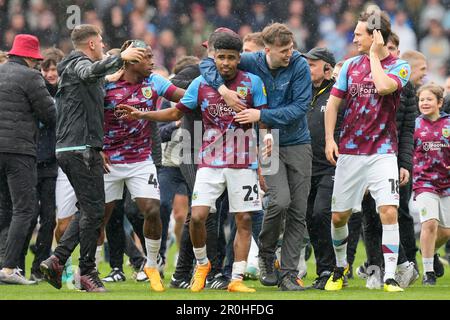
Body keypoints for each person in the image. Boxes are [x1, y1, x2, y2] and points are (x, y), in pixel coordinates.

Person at [119, 31, 269, 293]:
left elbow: (264, 117)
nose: (226, 63)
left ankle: (236, 278)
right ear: (215, 57)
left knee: (243, 219)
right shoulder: (201, 83)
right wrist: (143, 114)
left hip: (243, 163)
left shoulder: (253, 82)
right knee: (198, 217)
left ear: (238, 58)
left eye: (231, 58)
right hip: (209, 163)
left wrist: (265, 139)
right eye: (221, 57)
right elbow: (176, 112)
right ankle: (202, 265)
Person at [200, 22, 312, 291]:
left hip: (298, 142)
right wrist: (224, 90)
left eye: (291, 48)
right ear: (266, 49)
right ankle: (266, 253)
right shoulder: (251, 60)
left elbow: (299, 107)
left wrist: (261, 115)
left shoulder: (299, 65)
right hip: (266, 142)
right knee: (280, 201)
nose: (290, 53)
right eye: (283, 50)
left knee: (298, 210)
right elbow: (205, 64)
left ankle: (287, 274)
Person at [39, 24, 146, 292]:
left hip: (74, 148)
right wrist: (120, 58)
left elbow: (93, 80)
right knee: (95, 210)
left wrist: (112, 74)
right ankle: (86, 271)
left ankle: (58, 259)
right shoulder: (78, 63)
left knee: (89, 209)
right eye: (100, 41)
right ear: (91, 44)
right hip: (81, 148)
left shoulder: (74, 71)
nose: (101, 44)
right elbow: (89, 72)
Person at [324, 11, 411, 292]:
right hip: (349, 151)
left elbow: (384, 87)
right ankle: (339, 268)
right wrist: (329, 139)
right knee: (339, 216)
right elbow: (334, 104)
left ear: (376, 36)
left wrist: (375, 56)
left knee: (388, 210)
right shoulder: (349, 66)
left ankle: (389, 276)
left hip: (383, 151)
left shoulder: (400, 66)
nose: (353, 38)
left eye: (359, 33)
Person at [102, 39, 185, 292]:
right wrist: (96, 149)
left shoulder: (154, 82)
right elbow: (88, 116)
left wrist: (212, 91)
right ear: (131, 61)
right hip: (109, 160)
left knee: (151, 209)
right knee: (99, 217)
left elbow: (184, 97)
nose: (153, 62)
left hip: (141, 159)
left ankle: (151, 263)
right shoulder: (106, 83)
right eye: (147, 57)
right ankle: (90, 269)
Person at [356, 46, 422, 289]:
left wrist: (404, 163)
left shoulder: (405, 87)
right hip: (364, 156)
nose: (389, 54)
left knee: (394, 214)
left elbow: (407, 130)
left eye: (393, 49)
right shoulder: (361, 78)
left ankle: (401, 265)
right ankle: (376, 268)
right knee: (369, 217)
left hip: (392, 159)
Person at [0, 34, 56, 285]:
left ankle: (2, 263)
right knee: (25, 209)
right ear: (28, 57)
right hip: (19, 150)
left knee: (4, 209)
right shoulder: (31, 76)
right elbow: (49, 113)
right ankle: (9, 268)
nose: (36, 64)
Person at [301, 47, 343, 289]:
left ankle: (335, 267)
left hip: (333, 165)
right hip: (305, 165)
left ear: (328, 69)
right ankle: (325, 271)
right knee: (310, 218)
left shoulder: (340, 93)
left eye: (312, 65)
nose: (307, 70)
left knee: (321, 213)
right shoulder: (302, 92)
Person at [24, 48, 65, 282]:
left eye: (54, 69)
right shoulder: (33, 91)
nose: (51, 73)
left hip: (50, 163)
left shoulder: (63, 93)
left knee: (48, 217)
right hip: (30, 159)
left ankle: (38, 267)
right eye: (46, 69)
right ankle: (16, 264)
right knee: (27, 215)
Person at [412, 83, 450, 285]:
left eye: (429, 99)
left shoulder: (448, 124)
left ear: (439, 102)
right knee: (429, 224)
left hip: (447, 183)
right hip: (424, 182)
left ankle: (429, 251)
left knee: (445, 231)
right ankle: (429, 273)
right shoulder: (414, 125)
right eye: (421, 100)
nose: (424, 103)